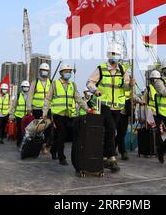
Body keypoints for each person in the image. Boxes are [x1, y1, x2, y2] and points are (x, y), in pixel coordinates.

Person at [86, 44, 134, 172]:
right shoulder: (101, 69)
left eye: (117, 54)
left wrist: (130, 85)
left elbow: (126, 87)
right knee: (112, 129)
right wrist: (95, 90)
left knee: (109, 131)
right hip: (104, 104)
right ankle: (112, 158)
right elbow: (89, 82)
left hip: (117, 106)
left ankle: (104, 156)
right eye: (113, 54)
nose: (115, 57)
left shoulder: (123, 70)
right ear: (108, 55)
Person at [43, 63, 88, 166]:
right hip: (57, 114)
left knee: (64, 135)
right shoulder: (54, 84)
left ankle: (54, 150)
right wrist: (45, 113)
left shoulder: (73, 84)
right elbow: (48, 99)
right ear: (61, 73)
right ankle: (61, 157)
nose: (68, 73)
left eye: (69, 72)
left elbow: (78, 98)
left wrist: (87, 108)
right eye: (66, 71)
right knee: (61, 134)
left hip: (69, 114)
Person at [26, 63, 53, 153]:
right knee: (38, 128)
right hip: (37, 109)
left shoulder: (51, 82)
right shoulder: (35, 82)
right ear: (40, 71)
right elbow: (30, 95)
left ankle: (45, 145)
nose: (45, 72)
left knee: (48, 128)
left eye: (46, 71)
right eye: (43, 70)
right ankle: (38, 145)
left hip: (48, 109)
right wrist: (29, 108)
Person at [10, 81, 31, 147]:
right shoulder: (18, 95)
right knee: (20, 130)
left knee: (27, 131)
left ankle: (26, 143)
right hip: (19, 116)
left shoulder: (31, 96)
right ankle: (19, 142)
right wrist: (12, 115)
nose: (25, 88)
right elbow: (13, 106)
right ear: (22, 87)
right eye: (24, 87)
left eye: (27, 87)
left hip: (27, 116)